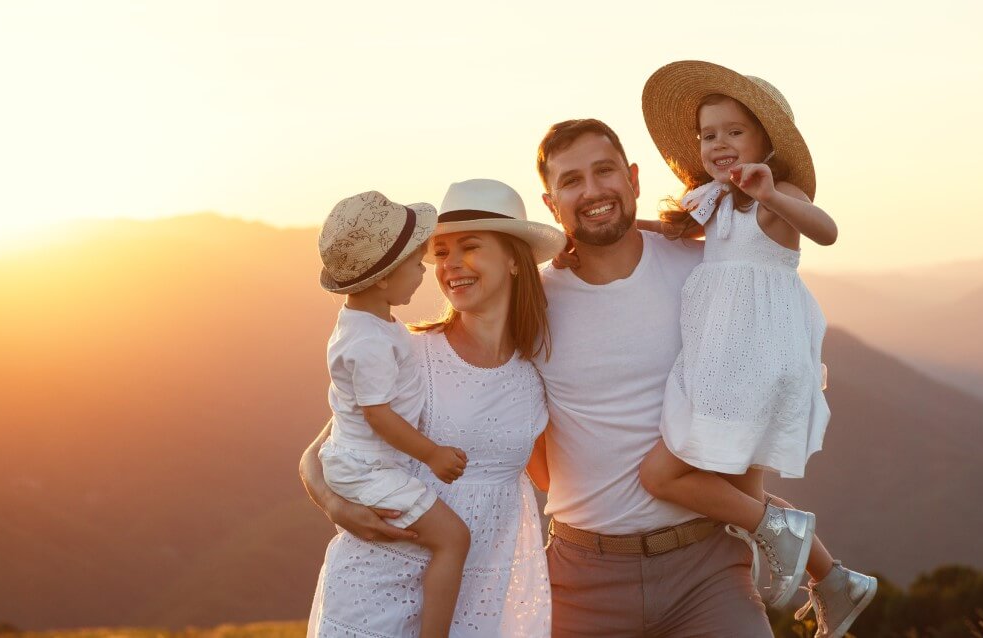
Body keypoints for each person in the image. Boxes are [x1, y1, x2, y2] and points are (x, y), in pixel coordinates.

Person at [633, 61, 875, 637]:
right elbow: (670, 232)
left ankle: (816, 566)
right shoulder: (716, 200)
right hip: (721, 358)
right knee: (748, 505)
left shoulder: (774, 195)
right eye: (708, 134)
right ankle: (835, 581)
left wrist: (772, 192)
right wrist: (601, 233)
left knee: (664, 475)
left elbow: (826, 230)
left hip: (754, 363)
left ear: (765, 139)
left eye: (733, 131)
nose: (718, 143)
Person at [528, 116, 778, 636]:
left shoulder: (703, 268)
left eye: (605, 171)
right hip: (582, 580)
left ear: (634, 179)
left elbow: (758, 380)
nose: (593, 190)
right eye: (571, 181)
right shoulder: (530, 302)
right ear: (551, 205)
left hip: (707, 569)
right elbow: (457, 376)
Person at [303, 179, 567, 637]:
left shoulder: (540, 368)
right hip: (379, 586)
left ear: (513, 259)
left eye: (469, 247)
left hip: (485, 585)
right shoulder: (409, 352)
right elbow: (319, 452)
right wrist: (333, 504)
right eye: (440, 252)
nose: (451, 265)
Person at [313, 190, 469, 638]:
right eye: (416, 263)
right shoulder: (371, 344)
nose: (424, 271)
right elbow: (379, 418)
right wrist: (433, 454)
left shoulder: (368, 322)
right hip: (365, 469)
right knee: (453, 539)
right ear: (383, 278)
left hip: (356, 460)